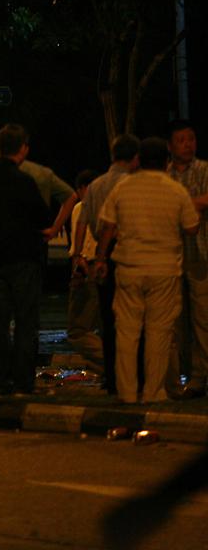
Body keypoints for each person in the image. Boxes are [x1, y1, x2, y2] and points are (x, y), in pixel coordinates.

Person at [94, 137, 199, 404]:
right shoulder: (176, 190)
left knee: (127, 333)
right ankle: (153, 392)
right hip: (164, 271)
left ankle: (128, 392)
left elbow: (107, 227)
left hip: (129, 268)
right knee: (159, 334)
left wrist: (101, 259)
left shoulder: (123, 188)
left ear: (138, 160)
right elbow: (191, 227)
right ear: (167, 162)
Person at [0, 123, 51, 394]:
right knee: (25, 320)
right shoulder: (24, 180)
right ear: (22, 149)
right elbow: (42, 216)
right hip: (23, 258)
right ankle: (22, 378)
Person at [75, 134, 140, 394]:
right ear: (135, 158)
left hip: (99, 255)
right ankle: (133, 376)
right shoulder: (133, 184)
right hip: (127, 251)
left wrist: (78, 254)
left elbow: (82, 222)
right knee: (132, 319)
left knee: (107, 321)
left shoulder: (97, 185)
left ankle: (112, 378)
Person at [167, 120, 208, 399]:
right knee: (177, 322)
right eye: (181, 140)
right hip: (172, 256)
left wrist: (182, 205)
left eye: (191, 138)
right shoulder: (164, 174)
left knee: (203, 319)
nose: (187, 144)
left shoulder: (203, 169)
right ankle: (186, 377)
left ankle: (200, 376)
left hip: (200, 252)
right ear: (170, 146)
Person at [66, 169, 104, 372]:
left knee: (77, 331)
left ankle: (113, 362)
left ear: (81, 189)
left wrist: (77, 269)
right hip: (104, 268)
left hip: (87, 267)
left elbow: (82, 246)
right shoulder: (108, 206)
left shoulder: (81, 207)